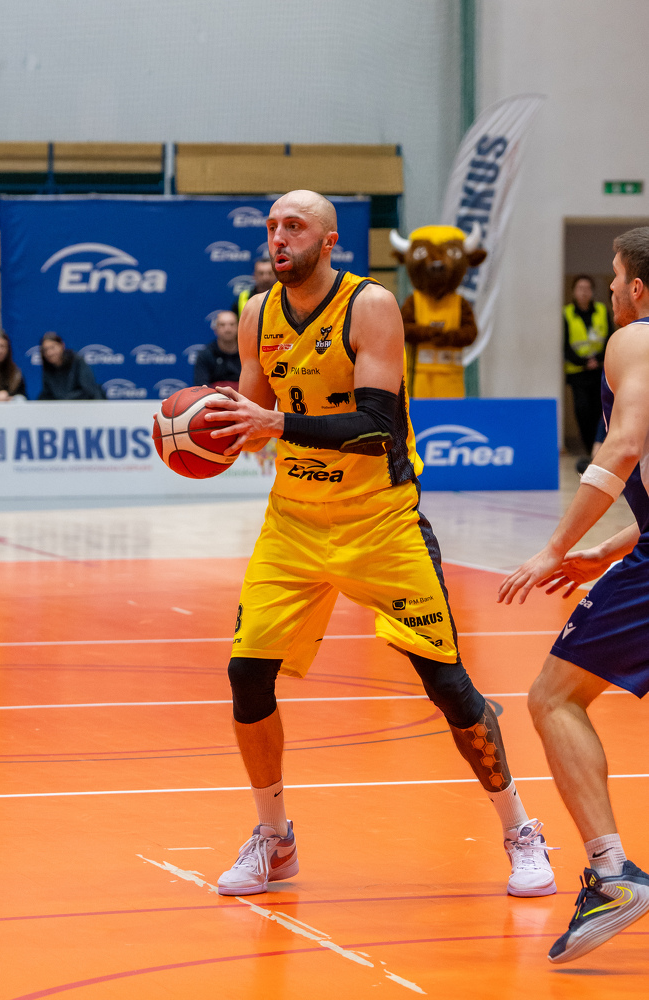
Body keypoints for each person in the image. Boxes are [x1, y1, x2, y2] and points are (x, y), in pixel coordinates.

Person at [203, 189, 555, 899]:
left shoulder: (369, 306)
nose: (278, 238)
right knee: (247, 676)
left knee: (447, 685)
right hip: (294, 522)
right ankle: (274, 839)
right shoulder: (257, 314)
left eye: (294, 226)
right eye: (271, 227)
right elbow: (253, 423)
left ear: (329, 241)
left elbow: (375, 428)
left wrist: (275, 426)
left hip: (380, 520)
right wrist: (203, 433)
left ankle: (520, 829)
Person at [499, 227, 649, 964]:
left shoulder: (635, 339)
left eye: (615, 277)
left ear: (637, 288)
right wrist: (611, 548)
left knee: (553, 698)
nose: (611, 288)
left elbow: (623, 446)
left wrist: (556, 547)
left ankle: (612, 873)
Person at [563, 275, 612, 472]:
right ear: (574, 291)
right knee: (582, 411)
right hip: (578, 372)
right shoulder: (567, 313)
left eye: (587, 288)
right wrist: (584, 362)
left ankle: (600, 453)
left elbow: (609, 337)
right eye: (580, 288)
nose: (584, 292)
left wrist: (597, 360)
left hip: (600, 370)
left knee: (601, 412)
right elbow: (565, 345)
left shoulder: (601, 310)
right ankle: (591, 451)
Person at [38, 333, 105, 400]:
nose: (49, 353)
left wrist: (64, 401)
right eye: (45, 350)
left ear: (62, 345)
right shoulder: (47, 367)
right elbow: (47, 394)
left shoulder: (77, 361)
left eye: (52, 348)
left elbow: (87, 390)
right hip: (61, 405)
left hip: (84, 404)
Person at [193, 310, 241, 390]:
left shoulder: (247, 354)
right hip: (214, 397)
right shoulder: (205, 355)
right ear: (215, 329)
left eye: (232, 324)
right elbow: (201, 387)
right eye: (222, 325)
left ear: (238, 327)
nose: (228, 329)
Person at [0, 329, 27, 401]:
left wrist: (9, 397)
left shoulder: (15, 372)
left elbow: (23, 396)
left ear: (8, 348)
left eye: (2, 346)